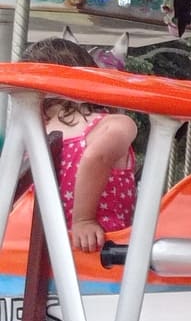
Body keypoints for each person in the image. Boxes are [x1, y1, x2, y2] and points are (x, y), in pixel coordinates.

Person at [21, 37, 137, 252]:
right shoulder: (110, 124)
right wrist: (83, 221)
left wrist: (83, 220)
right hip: (93, 248)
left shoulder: (33, 137)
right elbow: (96, 156)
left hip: (43, 249)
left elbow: (96, 157)